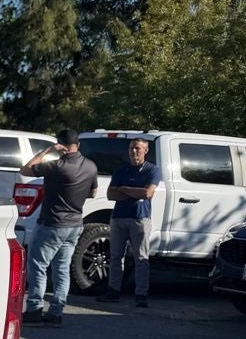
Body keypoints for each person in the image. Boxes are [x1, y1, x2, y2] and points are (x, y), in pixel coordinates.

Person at [20, 129, 98, 326]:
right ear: (78, 145)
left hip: (53, 222)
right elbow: (93, 193)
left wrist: (47, 150)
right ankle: (56, 313)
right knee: (62, 268)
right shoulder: (90, 166)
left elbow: (26, 169)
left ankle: (34, 309)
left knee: (38, 265)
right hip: (75, 224)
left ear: (61, 145)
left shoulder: (57, 166)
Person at [99, 137, 159, 307]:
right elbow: (111, 195)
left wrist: (124, 189)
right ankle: (113, 291)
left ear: (146, 150)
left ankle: (141, 294)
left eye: (137, 148)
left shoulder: (152, 170)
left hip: (140, 218)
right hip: (119, 217)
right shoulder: (121, 169)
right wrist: (135, 192)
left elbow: (147, 193)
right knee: (116, 256)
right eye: (132, 148)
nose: (134, 151)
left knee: (141, 257)